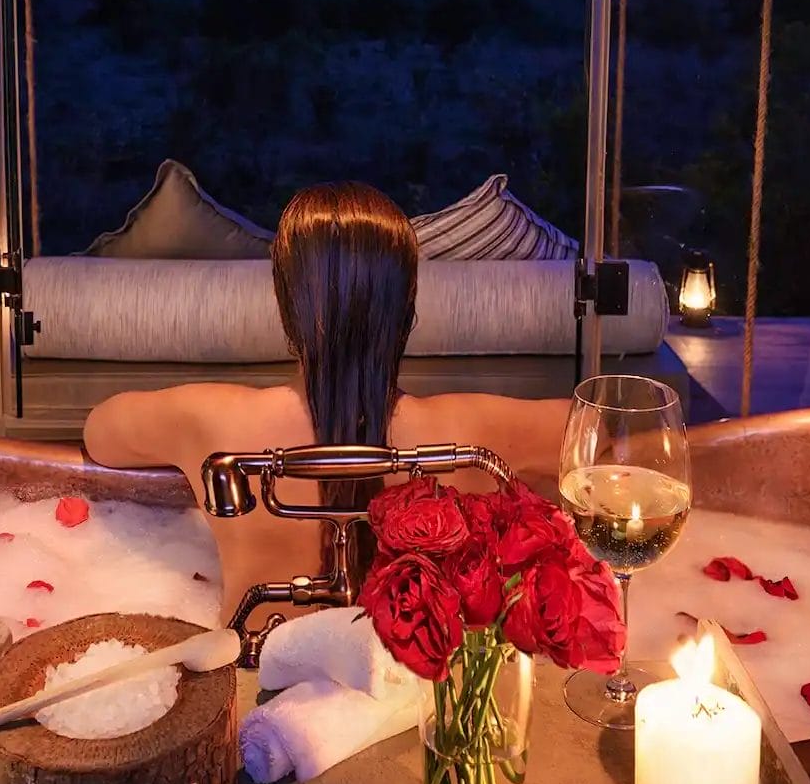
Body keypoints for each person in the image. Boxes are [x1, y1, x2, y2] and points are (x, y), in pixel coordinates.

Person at [83, 182, 572, 622]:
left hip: (254, 680)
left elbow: (98, 434)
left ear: (285, 304)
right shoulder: (470, 430)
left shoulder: (208, 418)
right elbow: (609, 435)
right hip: (404, 698)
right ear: (407, 306)